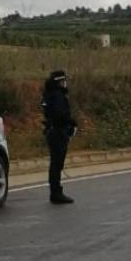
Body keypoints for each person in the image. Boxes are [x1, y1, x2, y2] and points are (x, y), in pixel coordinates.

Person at [42, 70, 77, 204]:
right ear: (59, 82)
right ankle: (56, 193)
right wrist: (71, 123)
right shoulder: (57, 96)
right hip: (57, 133)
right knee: (57, 163)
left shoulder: (49, 94)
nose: (65, 83)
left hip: (52, 131)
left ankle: (55, 191)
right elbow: (60, 115)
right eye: (63, 81)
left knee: (55, 163)